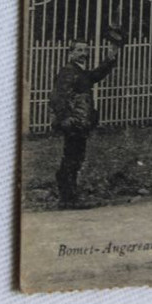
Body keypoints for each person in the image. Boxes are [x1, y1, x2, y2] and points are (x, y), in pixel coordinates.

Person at [49, 35, 122, 208]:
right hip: (73, 122)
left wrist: (111, 57)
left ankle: (70, 197)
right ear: (71, 53)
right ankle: (67, 199)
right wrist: (66, 118)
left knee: (76, 157)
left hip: (79, 122)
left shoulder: (79, 71)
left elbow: (94, 76)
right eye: (79, 50)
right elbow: (59, 97)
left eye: (85, 50)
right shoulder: (68, 71)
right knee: (72, 158)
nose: (83, 53)